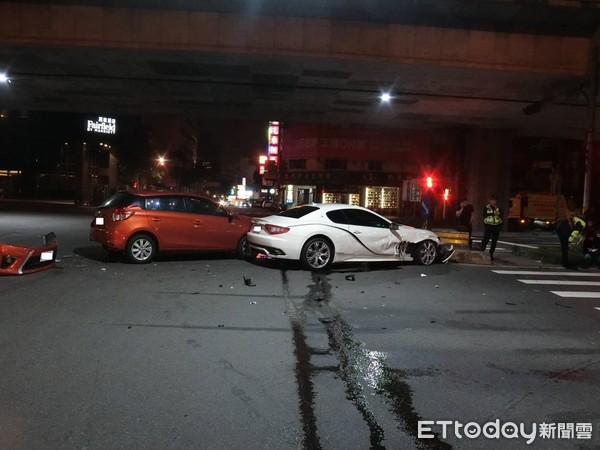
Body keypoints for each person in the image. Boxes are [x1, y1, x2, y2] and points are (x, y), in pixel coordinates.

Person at [480, 194, 503, 261]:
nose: (494, 201)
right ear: (490, 200)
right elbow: (484, 215)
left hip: (496, 227)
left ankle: (491, 254)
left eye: (495, 200)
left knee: (494, 241)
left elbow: (501, 217)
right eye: (492, 200)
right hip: (488, 226)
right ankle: (482, 252)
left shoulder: (498, 208)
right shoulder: (487, 207)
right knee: (485, 240)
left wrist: (500, 225)